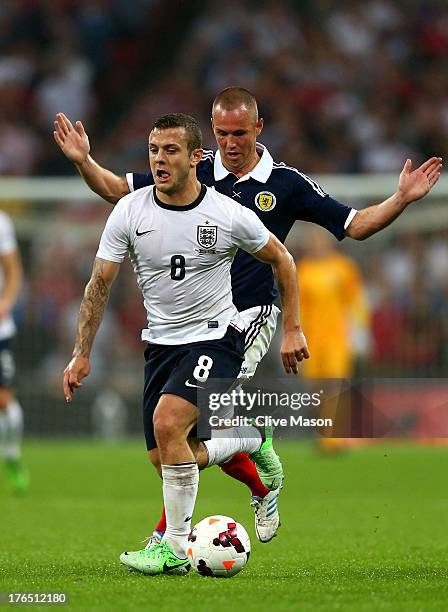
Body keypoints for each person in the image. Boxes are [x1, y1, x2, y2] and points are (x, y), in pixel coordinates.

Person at [54, 86, 442, 543]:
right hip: (186, 325)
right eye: (221, 134)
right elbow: (119, 191)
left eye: (239, 133)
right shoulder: (191, 169)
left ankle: (168, 540)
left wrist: (399, 199)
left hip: (247, 319)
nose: (230, 144)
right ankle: (255, 452)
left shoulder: (287, 184)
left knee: (175, 423)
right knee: (170, 452)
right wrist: (84, 161)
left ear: (258, 128)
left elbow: (354, 225)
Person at [62, 113, 308, 575]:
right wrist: (81, 353)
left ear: (197, 157)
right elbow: (99, 285)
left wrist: (292, 328)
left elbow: (284, 260)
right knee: (170, 454)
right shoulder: (130, 211)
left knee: (168, 422)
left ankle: (173, 549)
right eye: (153, 150)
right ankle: (247, 438)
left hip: (217, 338)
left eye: (170, 150)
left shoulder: (226, 213)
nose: (159, 159)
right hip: (160, 345)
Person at [0, 210, 28, 494]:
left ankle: (11, 455)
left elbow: (12, 269)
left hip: (0, 330)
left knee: (4, 398)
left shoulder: (2, 223)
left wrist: (6, 302)